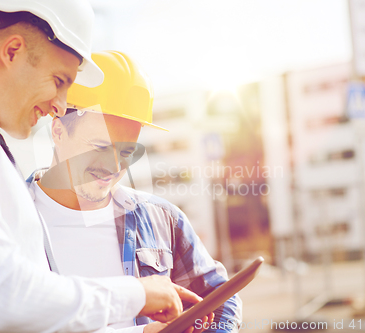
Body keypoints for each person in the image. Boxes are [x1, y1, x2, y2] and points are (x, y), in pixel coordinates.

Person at [0, 2, 200, 332]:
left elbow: (27, 320)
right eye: (59, 81)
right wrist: (136, 294)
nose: (60, 107)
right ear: (13, 50)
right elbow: (0, 300)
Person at [28, 51, 242, 333]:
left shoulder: (163, 220)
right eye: (100, 147)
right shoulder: (7, 217)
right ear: (58, 131)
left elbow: (221, 299)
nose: (114, 166)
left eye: (126, 151)